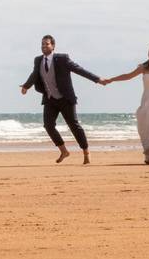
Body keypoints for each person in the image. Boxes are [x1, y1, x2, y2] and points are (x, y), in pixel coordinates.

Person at [20, 35, 104, 165]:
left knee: (74, 126)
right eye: (42, 44)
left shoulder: (62, 59)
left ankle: (86, 152)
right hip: (50, 99)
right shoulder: (38, 60)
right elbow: (34, 74)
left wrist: (97, 79)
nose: (44, 46)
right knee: (48, 126)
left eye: (46, 44)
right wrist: (26, 86)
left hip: (65, 98)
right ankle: (64, 151)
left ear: (53, 46)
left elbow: (79, 69)